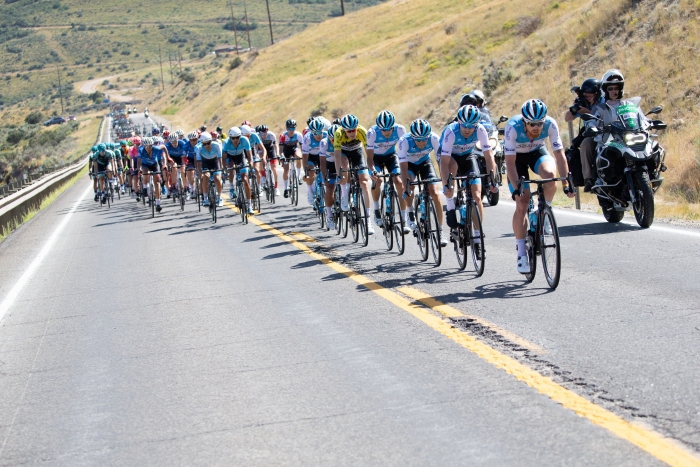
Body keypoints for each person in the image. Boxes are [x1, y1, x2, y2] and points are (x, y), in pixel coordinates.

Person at [504, 99, 574, 274]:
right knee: (522, 202)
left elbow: (559, 155)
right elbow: (510, 163)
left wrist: (566, 182)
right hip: (517, 160)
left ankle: (544, 210)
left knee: (550, 177)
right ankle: (521, 253)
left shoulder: (550, 124)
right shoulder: (513, 127)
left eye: (539, 124)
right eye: (532, 124)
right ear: (524, 122)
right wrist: (518, 188)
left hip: (537, 152)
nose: (536, 127)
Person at [439, 105, 498, 258]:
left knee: (477, 196)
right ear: (459, 122)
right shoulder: (451, 132)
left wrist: (493, 179)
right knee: (452, 169)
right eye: (464, 125)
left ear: (477, 124)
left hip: (467, 155)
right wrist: (446, 185)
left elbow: (489, 157)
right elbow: (444, 163)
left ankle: (478, 237)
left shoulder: (480, 130)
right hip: (448, 156)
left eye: (471, 126)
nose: (467, 129)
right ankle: (451, 205)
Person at [583, 69, 647, 191]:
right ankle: (593, 179)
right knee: (598, 151)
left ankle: (651, 173)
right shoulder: (599, 108)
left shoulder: (629, 105)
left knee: (653, 146)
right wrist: (592, 127)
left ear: (621, 89)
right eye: (610, 88)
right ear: (605, 90)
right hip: (608, 140)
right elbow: (592, 120)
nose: (614, 91)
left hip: (627, 139)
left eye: (616, 88)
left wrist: (649, 122)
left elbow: (642, 118)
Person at [398, 119, 446, 246]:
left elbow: (441, 162)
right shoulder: (404, 141)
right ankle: (410, 212)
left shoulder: (434, 138)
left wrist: (444, 179)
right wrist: (405, 186)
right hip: (409, 165)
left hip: (425, 163)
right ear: (412, 137)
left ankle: (440, 231)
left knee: (435, 193)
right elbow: (402, 168)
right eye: (418, 140)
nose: (421, 142)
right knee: (410, 187)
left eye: (424, 139)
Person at [366, 110, 409, 232]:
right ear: (379, 128)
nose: (386, 132)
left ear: (393, 126)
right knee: (378, 180)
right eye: (383, 130)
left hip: (391, 156)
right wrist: (373, 170)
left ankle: (404, 218)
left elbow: (405, 152)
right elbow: (369, 158)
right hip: (375, 158)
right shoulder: (372, 133)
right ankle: (376, 209)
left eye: (389, 129)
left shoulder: (400, 130)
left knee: (399, 181)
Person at [334, 114, 375, 236]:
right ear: (344, 130)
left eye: (354, 130)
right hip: (344, 153)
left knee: (364, 182)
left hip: (357, 153)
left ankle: (368, 221)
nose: (352, 133)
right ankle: (345, 195)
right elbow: (336, 156)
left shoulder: (362, 131)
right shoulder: (338, 133)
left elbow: (369, 154)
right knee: (345, 166)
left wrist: (371, 169)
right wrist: (338, 173)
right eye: (349, 131)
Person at [564, 78, 603, 192]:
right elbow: (567, 118)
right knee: (585, 144)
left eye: (590, 96)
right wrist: (575, 108)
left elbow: (603, 119)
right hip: (592, 134)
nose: (588, 98)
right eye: (586, 95)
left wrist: (588, 113)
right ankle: (588, 179)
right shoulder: (583, 102)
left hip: (605, 132)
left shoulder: (603, 102)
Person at [223, 127, 254, 214]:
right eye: (233, 138)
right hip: (230, 158)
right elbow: (223, 158)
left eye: (237, 137)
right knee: (231, 168)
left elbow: (249, 155)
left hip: (241, 157)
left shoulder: (245, 140)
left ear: (240, 136)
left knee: (245, 180)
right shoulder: (226, 143)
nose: (235, 140)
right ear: (230, 138)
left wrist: (250, 163)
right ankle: (232, 188)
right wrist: (224, 168)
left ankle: (249, 206)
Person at [301, 118, 327, 206]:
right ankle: (310, 191)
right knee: (311, 172)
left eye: (320, 132)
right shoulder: (307, 138)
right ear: (311, 132)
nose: (318, 135)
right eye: (316, 133)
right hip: (310, 157)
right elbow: (304, 157)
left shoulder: (327, 136)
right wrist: (306, 172)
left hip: (322, 156)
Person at [195, 131, 223, 207]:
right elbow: (199, 161)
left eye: (209, 143)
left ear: (211, 141)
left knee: (217, 178)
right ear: (202, 143)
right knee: (205, 176)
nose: (207, 145)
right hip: (205, 163)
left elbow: (220, 158)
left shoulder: (217, 145)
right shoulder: (198, 148)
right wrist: (199, 172)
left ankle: (220, 198)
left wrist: (222, 169)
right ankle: (205, 198)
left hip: (215, 162)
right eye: (205, 144)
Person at [319, 123, 339, 229]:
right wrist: (324, 176)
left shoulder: (343, 141)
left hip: (340, 164)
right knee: (330, 188)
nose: (334, 141)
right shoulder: (324, 143)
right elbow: (322, 163)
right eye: (332, 139)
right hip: (329, 166)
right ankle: (330, 215)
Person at [138, 137, 165, 212]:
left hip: (154, 165)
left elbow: (164, 147)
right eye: (146, 146)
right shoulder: (141, 150)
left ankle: (158, 203)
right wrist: (139, 168)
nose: (148, 148)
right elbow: (139, 160)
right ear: (144, 146)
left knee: (157, 181)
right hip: (145, 165)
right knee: (145, 173)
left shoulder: (156, 149)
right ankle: (145, 187)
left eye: (150, 146)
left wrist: (166, 160)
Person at [279, 119, 304, 198]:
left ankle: (298, 177)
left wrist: (303, 156)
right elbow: (280, 150)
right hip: (285, 151)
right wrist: (282, 157)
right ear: (286, 128)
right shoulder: (283, 136)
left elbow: (302, 148)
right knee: (286, 169)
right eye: (289, 128)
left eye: (293, 128)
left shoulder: (299, 135)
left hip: (294, 149)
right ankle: (286, 188)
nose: (291, 130)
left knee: (299, 157)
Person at [241, 124, 266, 194]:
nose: (247, 138)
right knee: (245, 171)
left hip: (252, 151)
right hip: (243, 152)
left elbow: (263, 149)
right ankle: (248, 188)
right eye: (245, 136)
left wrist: (263, 157)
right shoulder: (239, 138)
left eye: (249, 136)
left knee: (257, 170)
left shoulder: (254, 135)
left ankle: (258, 187)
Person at [257, 124, 280, 196]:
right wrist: (256, 155)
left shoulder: (271, 135)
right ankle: (263, 176)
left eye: (265, 133)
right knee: (260, 158)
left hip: (270, 149)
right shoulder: (257, 136)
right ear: (259, 133)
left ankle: (276, 187)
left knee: (274, 167)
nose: (264, 135)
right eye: (262, 134)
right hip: (261, 150)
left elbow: (276, 146)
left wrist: (278, 154)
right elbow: (255, 147)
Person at [165, 132, 188, 198]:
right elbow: (167, 156)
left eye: (175, 142)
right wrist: (169, 162)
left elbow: (185, 154)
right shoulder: (168, 145)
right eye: (172, 142)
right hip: (173, 158)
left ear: (177, 139)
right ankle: (174, 186)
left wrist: (184, 161)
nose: (174, 144)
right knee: (174, 168)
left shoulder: (182, 143)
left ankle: (186, 187)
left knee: (183, 170)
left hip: (181, 157)